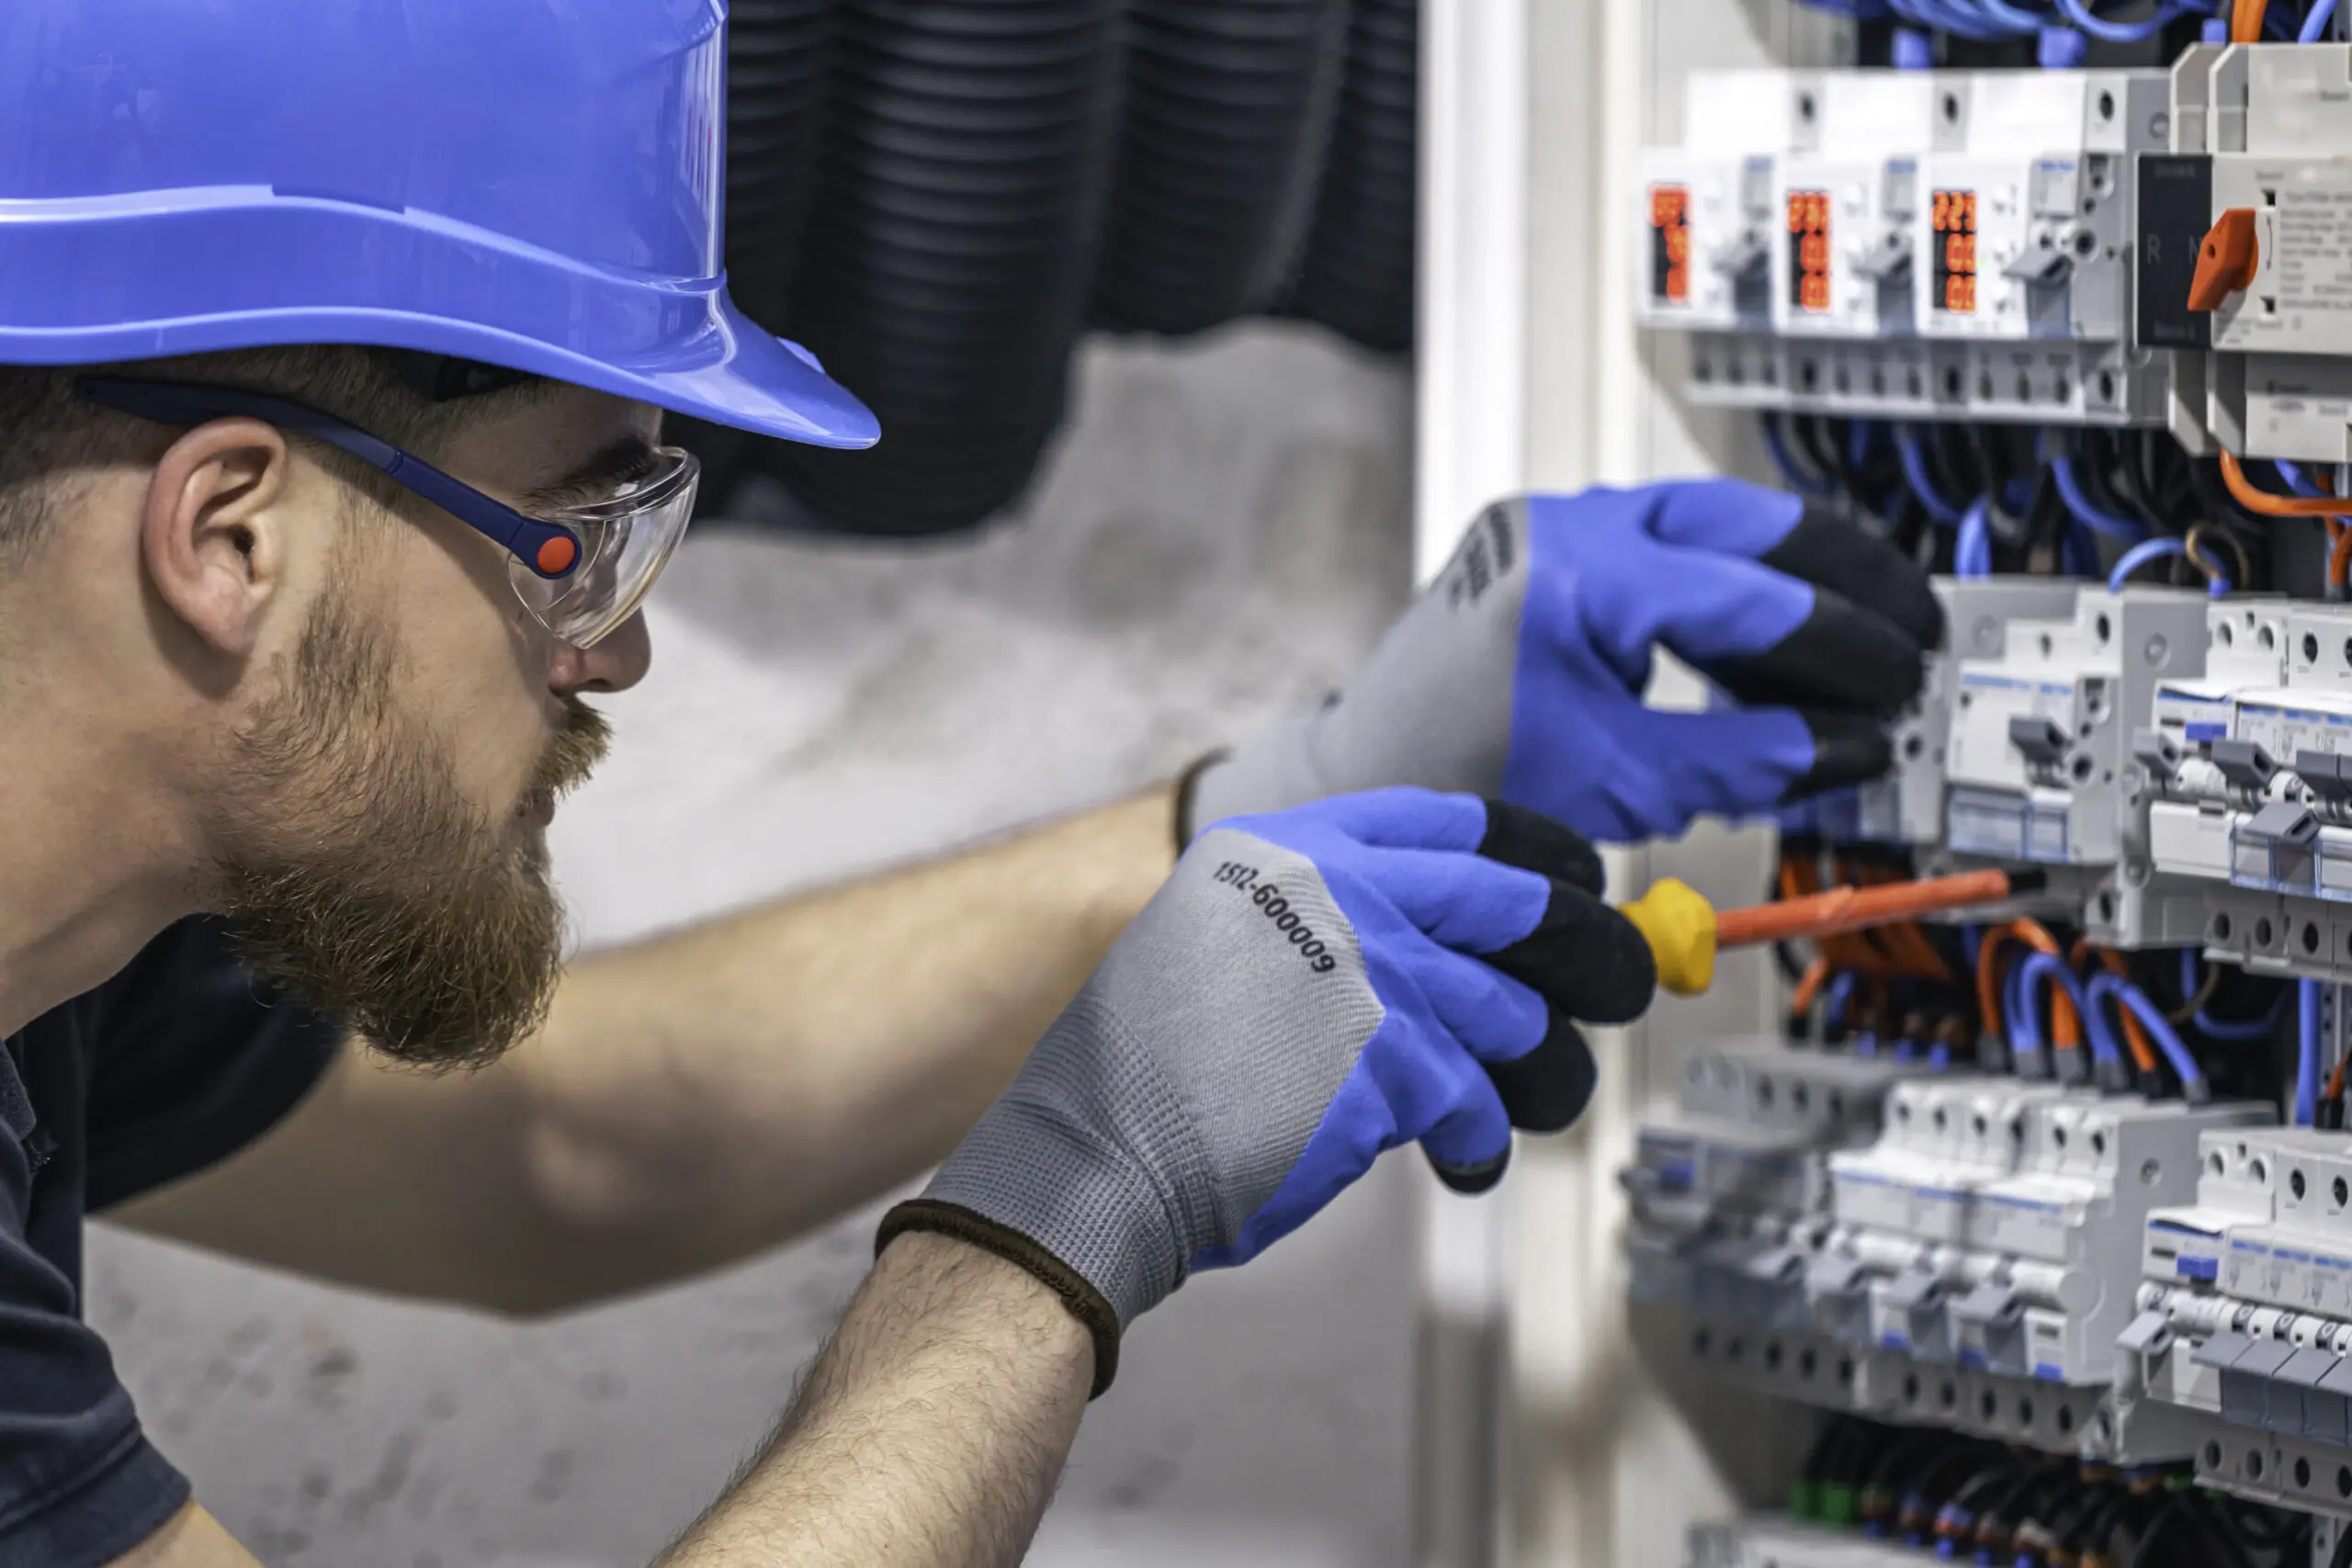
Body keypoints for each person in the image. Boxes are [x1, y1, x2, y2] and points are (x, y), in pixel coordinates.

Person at [0, 4, 1943, 1564]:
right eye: (570, 529)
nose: (613, 647)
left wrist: (1276, 794)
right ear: (229, 536)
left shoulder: (60, 952)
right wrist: (1051, 1227)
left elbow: (562, 1150)